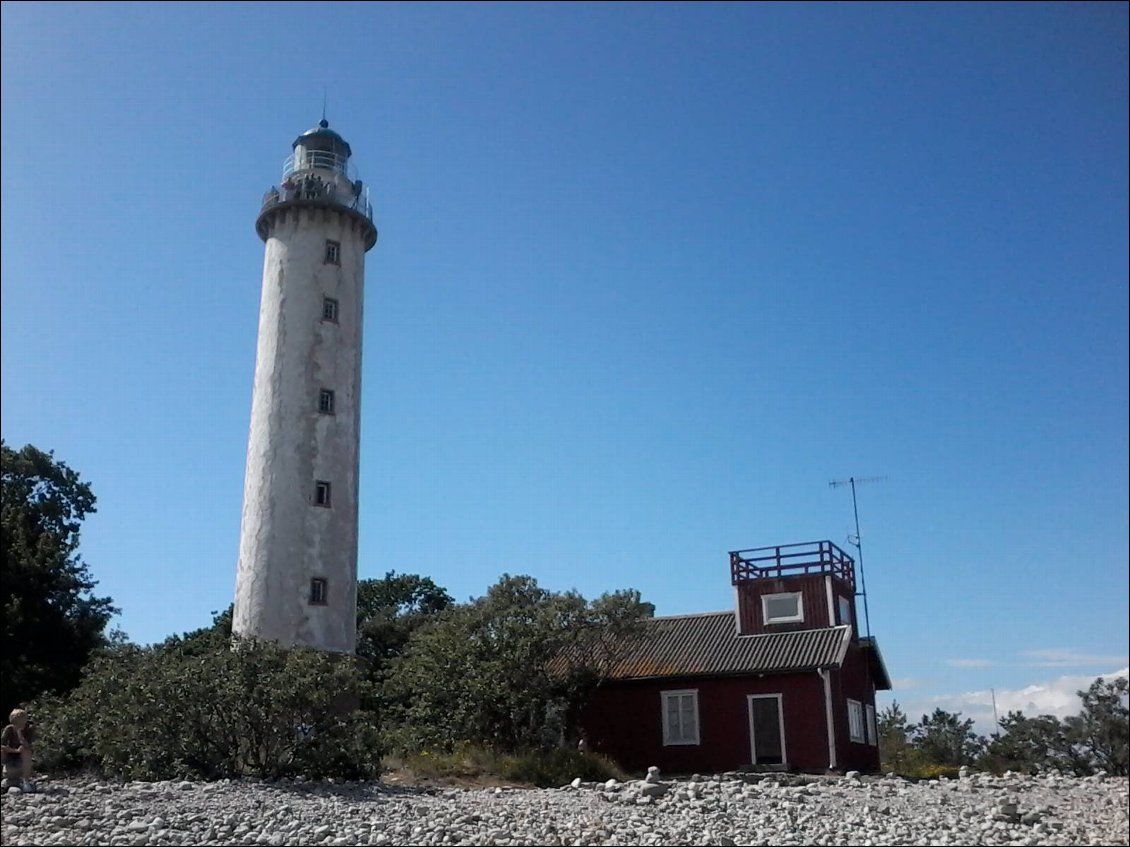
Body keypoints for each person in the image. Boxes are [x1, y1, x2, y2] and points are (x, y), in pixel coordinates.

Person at [1, 709, 35, 793]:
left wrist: (19, 734)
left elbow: (28, 746)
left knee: (27, 751)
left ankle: (25, 782)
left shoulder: (29, 729)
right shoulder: (9, 729)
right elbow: (2, 744)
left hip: (22, 756)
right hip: (10, 753)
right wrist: (15, 750)